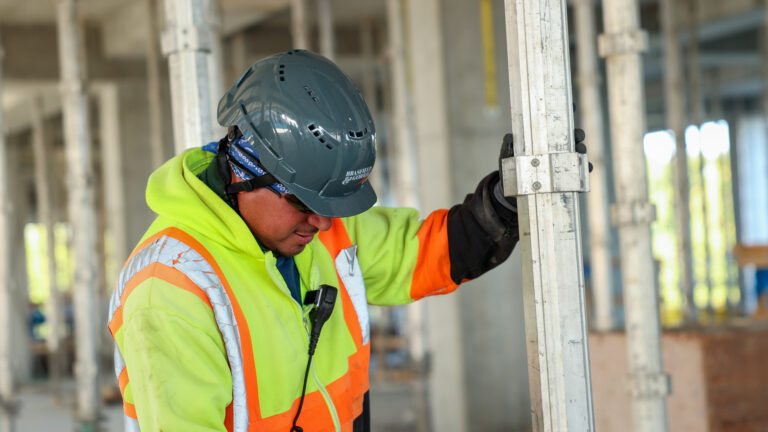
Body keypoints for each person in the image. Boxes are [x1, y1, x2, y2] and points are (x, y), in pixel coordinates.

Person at [107, 49, 524, 432]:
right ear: (243, 171)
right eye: (302, 200)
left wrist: (501, 207)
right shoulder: (170, 289)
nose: (322, 222)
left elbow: (417, 254)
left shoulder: (322, 231)